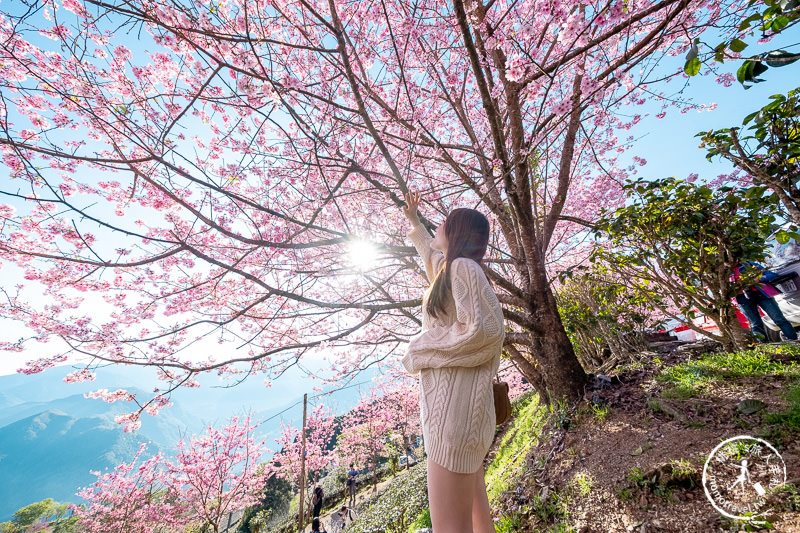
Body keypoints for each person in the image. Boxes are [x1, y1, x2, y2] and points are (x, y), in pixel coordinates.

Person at [400, 191, 505, 533]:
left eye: (445, 220)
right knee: (476, 518)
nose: (439, 224)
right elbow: (432, 260)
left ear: (459, 231)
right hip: (460, 414)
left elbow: (482, 330)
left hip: (452, 418)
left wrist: (421, 347)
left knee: (449, 526)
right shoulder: (454, 269)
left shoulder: (462, 268)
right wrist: (414, 223)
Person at [733, 262, 798, 342]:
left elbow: (772, 275)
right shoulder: (723, 273)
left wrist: (759, 279)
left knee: (779, 318)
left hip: (761, 294)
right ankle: (765, 346)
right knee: (755, 324)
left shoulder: (749, 264)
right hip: (742, 299)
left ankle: (793, 340)